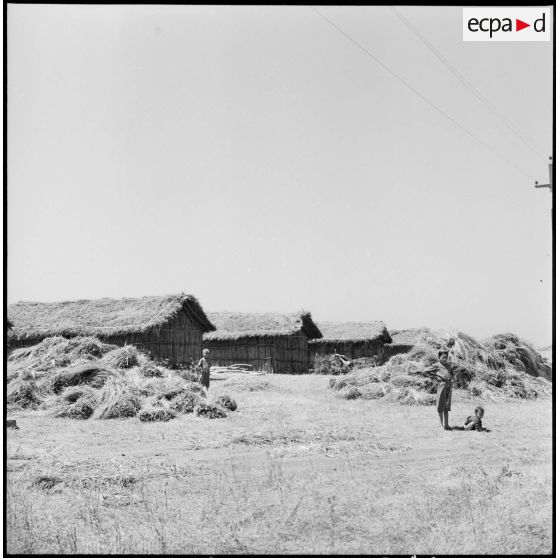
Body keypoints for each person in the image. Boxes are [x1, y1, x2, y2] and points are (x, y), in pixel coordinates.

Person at [423, 350, 454, 430]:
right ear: (439, 357)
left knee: (446, 406)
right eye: (443, 357)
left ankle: (446, 425)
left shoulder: (448, 365)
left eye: (446, 358)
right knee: (441, 406)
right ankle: (441, 425)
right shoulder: (436, 365)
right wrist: (436, 377)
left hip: (448, 387)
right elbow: (425, 371)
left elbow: (451, 374)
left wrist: (451, 380)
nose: (444, 359)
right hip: (441, 386)